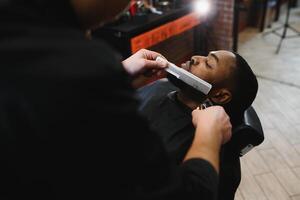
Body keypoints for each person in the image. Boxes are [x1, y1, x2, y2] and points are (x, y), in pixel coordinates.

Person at [0, 1, 231, 199]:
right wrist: (210, 133)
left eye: (209, 63)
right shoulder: (81, 67)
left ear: (221, 95)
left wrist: (117, 73)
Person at [137, 50, 258, 200]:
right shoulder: (162, 86)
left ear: (220, 95)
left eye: (208, 63)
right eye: (205, 56)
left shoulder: (216, 161)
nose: (195, 58)